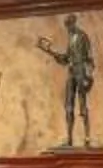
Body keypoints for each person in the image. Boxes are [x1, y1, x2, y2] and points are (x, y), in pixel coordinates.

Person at [34, 14, 95, 149]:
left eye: (69, 24)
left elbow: (89, 57)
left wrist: (89, 76)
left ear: (74, 23)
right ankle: (69, 139)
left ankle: (87, 138)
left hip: (81, 72)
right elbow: (67, 58)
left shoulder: (82, 36)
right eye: (66, 25)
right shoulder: (71, 38)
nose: (68, 27)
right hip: (72, 72)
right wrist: (49, 51)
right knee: (68, 106)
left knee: (83, 105)